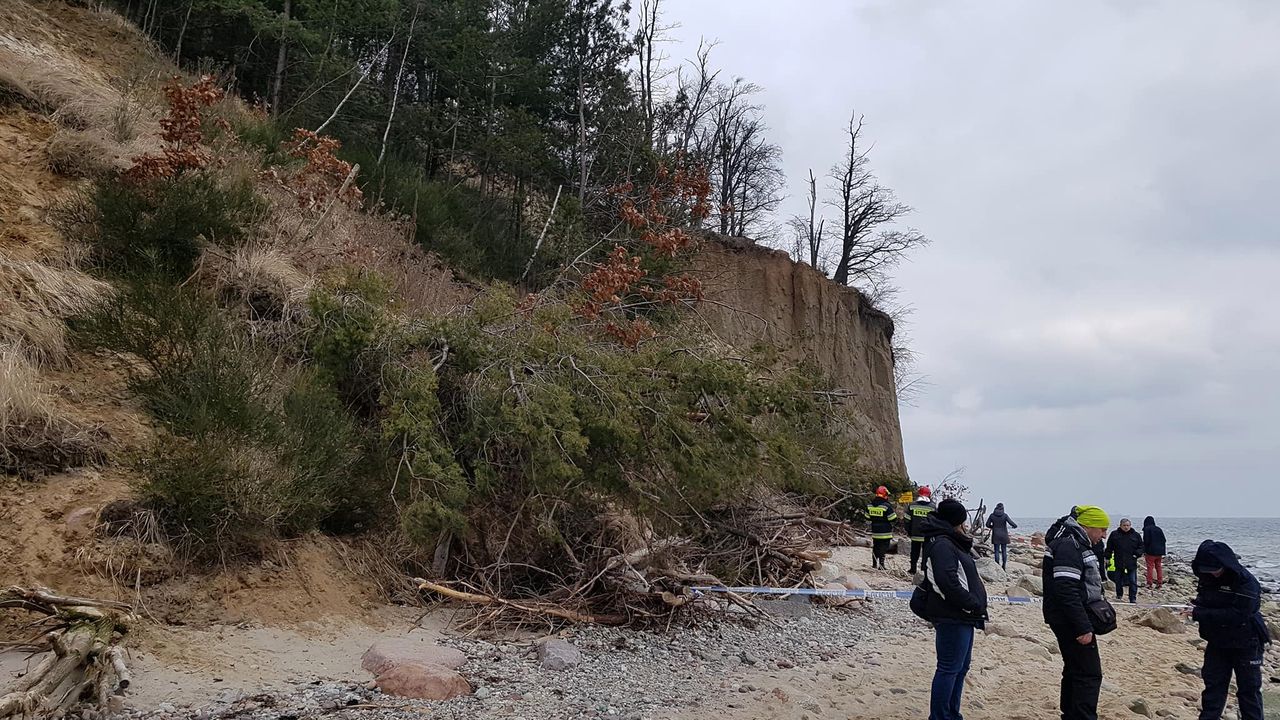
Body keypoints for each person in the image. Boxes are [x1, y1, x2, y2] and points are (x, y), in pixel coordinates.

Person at [917, 498, 988, 720]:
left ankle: (951, 714)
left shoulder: (950, 541)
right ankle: (940, 716)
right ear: (956, 521)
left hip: (963, 616)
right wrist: (970, 604)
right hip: (953, 615)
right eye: (962, 522)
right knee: (949, 668)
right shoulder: (942, 544)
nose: (965, 526)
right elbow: (946, 581)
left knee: (960, 668)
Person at [1042, 506, 1111, 720]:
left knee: (1074, 669)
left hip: (1067, 616)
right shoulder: (1070, 546)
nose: (1104, 535)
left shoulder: (1075, 542)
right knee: (1089, 674)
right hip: (1070, 619)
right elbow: (1066, 589)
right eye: (1102, 529)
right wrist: (1083, 626)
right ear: (1088, 526)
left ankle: (1070, 714)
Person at [1189, 540, 1271, 720]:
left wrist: (1200, 613)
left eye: (1215, 569)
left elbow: (1239, 614)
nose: (1213, 573)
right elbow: (1206, 600)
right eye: (1207, 570)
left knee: (1249, 691)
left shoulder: (1246, 582)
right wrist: (1196, 607)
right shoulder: (1207, 578)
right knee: (1213, 688)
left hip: (1247, 641)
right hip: (1217, 641)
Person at [1105, 518, 1143, 604]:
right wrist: (1107, 557)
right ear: (1120, 525)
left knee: (1132, 581)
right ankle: (1119, 595)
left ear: (1130, 526)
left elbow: (1141, 547)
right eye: (1124, 525)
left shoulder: (1135, 535)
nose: (1126, 527)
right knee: (1118, 580)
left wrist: (1137, 554)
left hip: (1131, 562)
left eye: (1128, 525)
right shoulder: (1114, 534)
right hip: (1119, 561)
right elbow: (1109, 547)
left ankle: (1132, 598)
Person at [865, 485, 898, 570]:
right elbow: (893, 518)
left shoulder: (870, 505)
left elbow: (867, 517)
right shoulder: (886, 506)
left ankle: (874, 564)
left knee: (876, 546)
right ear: (885, 495)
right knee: (883, 547)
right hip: (885, 531)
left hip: (875, 530)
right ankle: (882, 565)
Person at [906, 486, 937, 575]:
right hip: (927, 535)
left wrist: (909, 531)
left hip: (915, 533)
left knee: (914, 552)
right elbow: (935, 522)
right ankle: (924, 569)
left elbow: (907, 520)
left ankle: (913, 569)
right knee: (926, 553)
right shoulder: (933, 507)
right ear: (929, 495)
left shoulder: (912, 505)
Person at [985, 502, 1018, 570]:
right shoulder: (1005, 515)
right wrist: (1014, 526)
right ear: (1003, 508)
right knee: (1004, 551)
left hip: (996, 535)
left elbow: (987, 524)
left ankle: (997, 565)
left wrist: (993, 526)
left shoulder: (992, 515)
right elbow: (1012, 523)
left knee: (996, 551)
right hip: (1004, 535)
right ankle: (1004, 565)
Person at [1142, 516, 1167, 589]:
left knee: (1150, 567)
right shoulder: (1159, 529)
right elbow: (1164, 540)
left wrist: (1144, 550)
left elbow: (1146, 541)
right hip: (1159, 552)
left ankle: (1149, 583)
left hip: (1150, 552)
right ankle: (1159, 583)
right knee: (1158, 567)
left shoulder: (1147, 529)